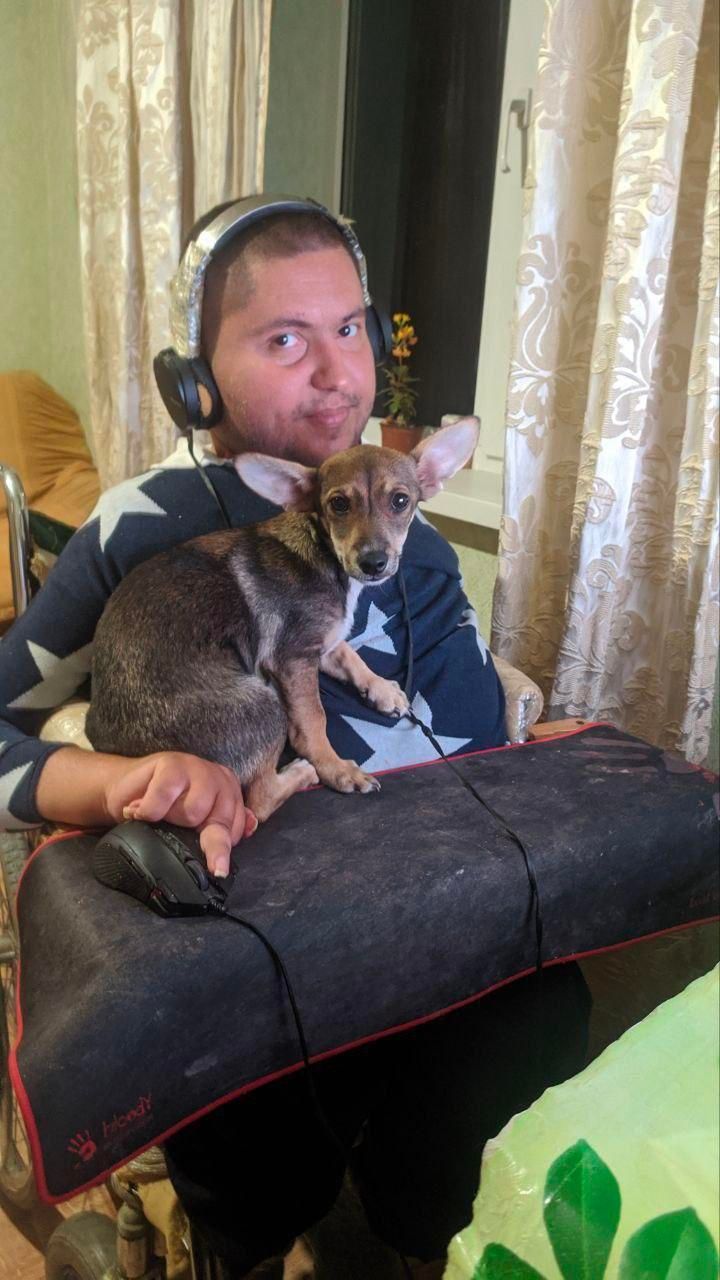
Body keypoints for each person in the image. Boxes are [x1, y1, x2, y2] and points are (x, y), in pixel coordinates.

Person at [0, 197, 589, 1276]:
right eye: (284, 339)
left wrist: (525, 724)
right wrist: (122, 778)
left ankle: (413, 1229)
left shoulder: (406, 527)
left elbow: (454, 705)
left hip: (455, 893)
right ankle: (257, 1242)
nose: (334, 372)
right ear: (197, 380)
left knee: (542, 1011)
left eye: (351, 327)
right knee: (253, 1078)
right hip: (288, 930)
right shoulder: (148, 520)